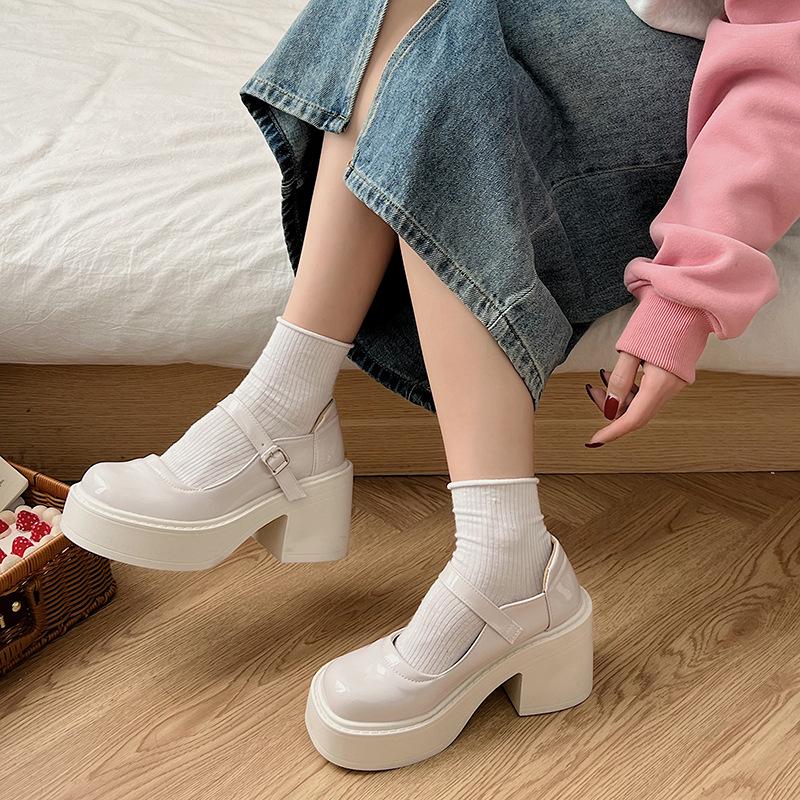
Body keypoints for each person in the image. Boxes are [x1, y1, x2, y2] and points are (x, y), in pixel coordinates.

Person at [61, 0, 800, 770]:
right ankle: (293, 416)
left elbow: (785, 61)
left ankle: (479, 539)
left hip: (714, 96)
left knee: (439, 54)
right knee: (416, 19)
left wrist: (689, 290)